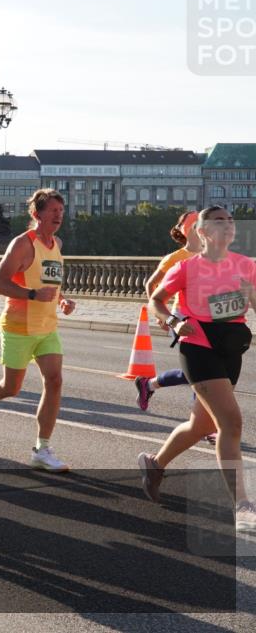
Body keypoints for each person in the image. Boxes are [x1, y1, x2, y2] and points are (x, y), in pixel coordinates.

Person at [139, 206, 256, 532]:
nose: (227, 226)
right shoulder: (187, 267)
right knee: (230, 423)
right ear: (202, 232)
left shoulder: (245, 265)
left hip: (231, 347)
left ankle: (154, 464)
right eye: (218, 222)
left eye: (230, 221)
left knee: (200, 424)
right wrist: (174, 321)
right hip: (198, 346)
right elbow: (156, 300)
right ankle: (242, 506)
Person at [0, 188, 76, 472]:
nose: (59, 215)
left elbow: (48, 282)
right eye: (53, 210)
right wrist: (33, 295)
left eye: (61, 210)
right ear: (36, 213)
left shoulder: (56, 243)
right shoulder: (22, 244)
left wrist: (62, 299)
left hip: (47, 327)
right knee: (11, 387)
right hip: (18, 326)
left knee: (55, 381)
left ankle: (42, 449)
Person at [134, 211, 200, 411]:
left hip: (209, 318)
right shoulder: (175, 258)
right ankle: (203, 421)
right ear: (187, 230)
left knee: (202, 371)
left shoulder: (214, 255)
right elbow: (151, 284)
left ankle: (148, 385)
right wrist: (162, 316)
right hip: (182, 317)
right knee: (201, 371)